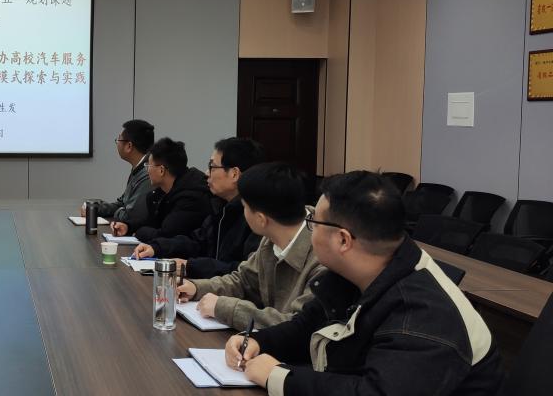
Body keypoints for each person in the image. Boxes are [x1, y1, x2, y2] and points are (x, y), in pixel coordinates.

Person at [224, 171, 503, 395]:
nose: (310, 230)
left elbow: (375, 392)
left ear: (343, 240)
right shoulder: (363, 269)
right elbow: (307, 326)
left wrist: (280, 378)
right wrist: (258, 341)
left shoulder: (423, 315)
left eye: (314, 223)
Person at [176, 162, 325, 329]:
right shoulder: (272, 238)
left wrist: (226, 308)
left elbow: (297, 326)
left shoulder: (323, 258)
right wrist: (197, 288)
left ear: (261, 219)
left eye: (244, 207)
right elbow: (243, 281)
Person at [131, 137, 265, 279]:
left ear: (234, 174)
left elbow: (246, 273)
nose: (206, 173)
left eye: (212, 167)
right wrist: (157, 247)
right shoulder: (220, 206)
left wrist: (191, 267)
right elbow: (197, 242)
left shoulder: (258, 217)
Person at [110, 137, 212, 242]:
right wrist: (128, 227)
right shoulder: (162, 192)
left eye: (148, 165)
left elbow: (167, 235)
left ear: (161, 170)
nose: (147, 170)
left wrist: (139, 233)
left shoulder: (191, 197)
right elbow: (151, 222)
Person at [80, 119, 155, 224]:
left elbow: (130, 216)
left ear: (129, 146)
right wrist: (95, 208)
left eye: (119, 140)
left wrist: (121, 210)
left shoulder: (148, 173)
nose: (117, 143)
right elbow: (122, 203)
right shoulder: (138, 168)